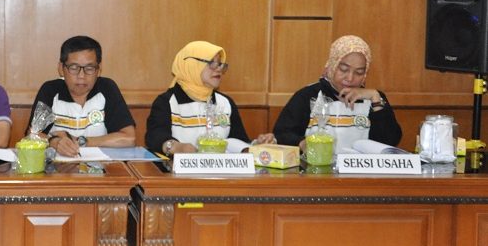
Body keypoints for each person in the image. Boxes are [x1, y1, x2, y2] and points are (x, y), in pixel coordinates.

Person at [273, 34, 402, 151]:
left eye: (359, 72)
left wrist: (375, 99)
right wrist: (301, 143)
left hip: (362, 168)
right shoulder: (308, 95)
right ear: (332, 65)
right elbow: (281, 134)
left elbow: (389, 143)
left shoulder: (375, 98)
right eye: (344, 69)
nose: (350, 78)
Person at [145, 41, 276, 155]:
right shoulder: (167, 102)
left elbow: (237, 140)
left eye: (220, 64)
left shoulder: (225, 103)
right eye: (212, 63)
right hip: (179, 172)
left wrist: (256, 145)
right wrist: (175, 147)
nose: (218, 69)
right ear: (191, 65)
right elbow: (155, 137)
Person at [28, 36, 136, 157]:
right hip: (57, 166)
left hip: (100, 166)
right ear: (61, 68)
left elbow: (129, 138)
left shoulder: (107, 89)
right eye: (74, 68)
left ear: (99, 69)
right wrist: (54, 142)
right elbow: (32, 136)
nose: (81, 76)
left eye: (89, 68)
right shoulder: (50, 90)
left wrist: (82, 141)